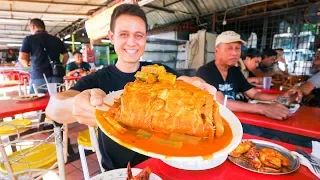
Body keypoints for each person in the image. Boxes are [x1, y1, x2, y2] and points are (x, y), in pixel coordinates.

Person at [46, 4, 208, 171]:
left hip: (161, 164)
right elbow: (53, 108)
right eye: (124, 34)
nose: (132, 42)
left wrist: (197, 83)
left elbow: (184, 81)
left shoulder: (159, 72)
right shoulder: (99, 79)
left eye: (139, 35)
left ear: (145, 38)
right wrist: (74, 105)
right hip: (119, 171)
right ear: (111, 36)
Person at [196, 31, 302, 120]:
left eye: (237, 48)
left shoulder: (235, 71)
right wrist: (263, 108)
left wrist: (283, 98)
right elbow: (219, 102)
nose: (234, 53)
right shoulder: (205, 71)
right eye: (229, 48)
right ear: (216, 51)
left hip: (236, 118)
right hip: (214, 122)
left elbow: (254, 94)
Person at [18, 18, 69, 93]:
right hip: (56, 75)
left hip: (38, 75)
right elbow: (66, 55)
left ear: (33, 26)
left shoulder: (29, 39)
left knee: (36, 101)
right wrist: (61, 65)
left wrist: (28, 66)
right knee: (56, 100)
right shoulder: (56, 40)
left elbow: (22, 58)